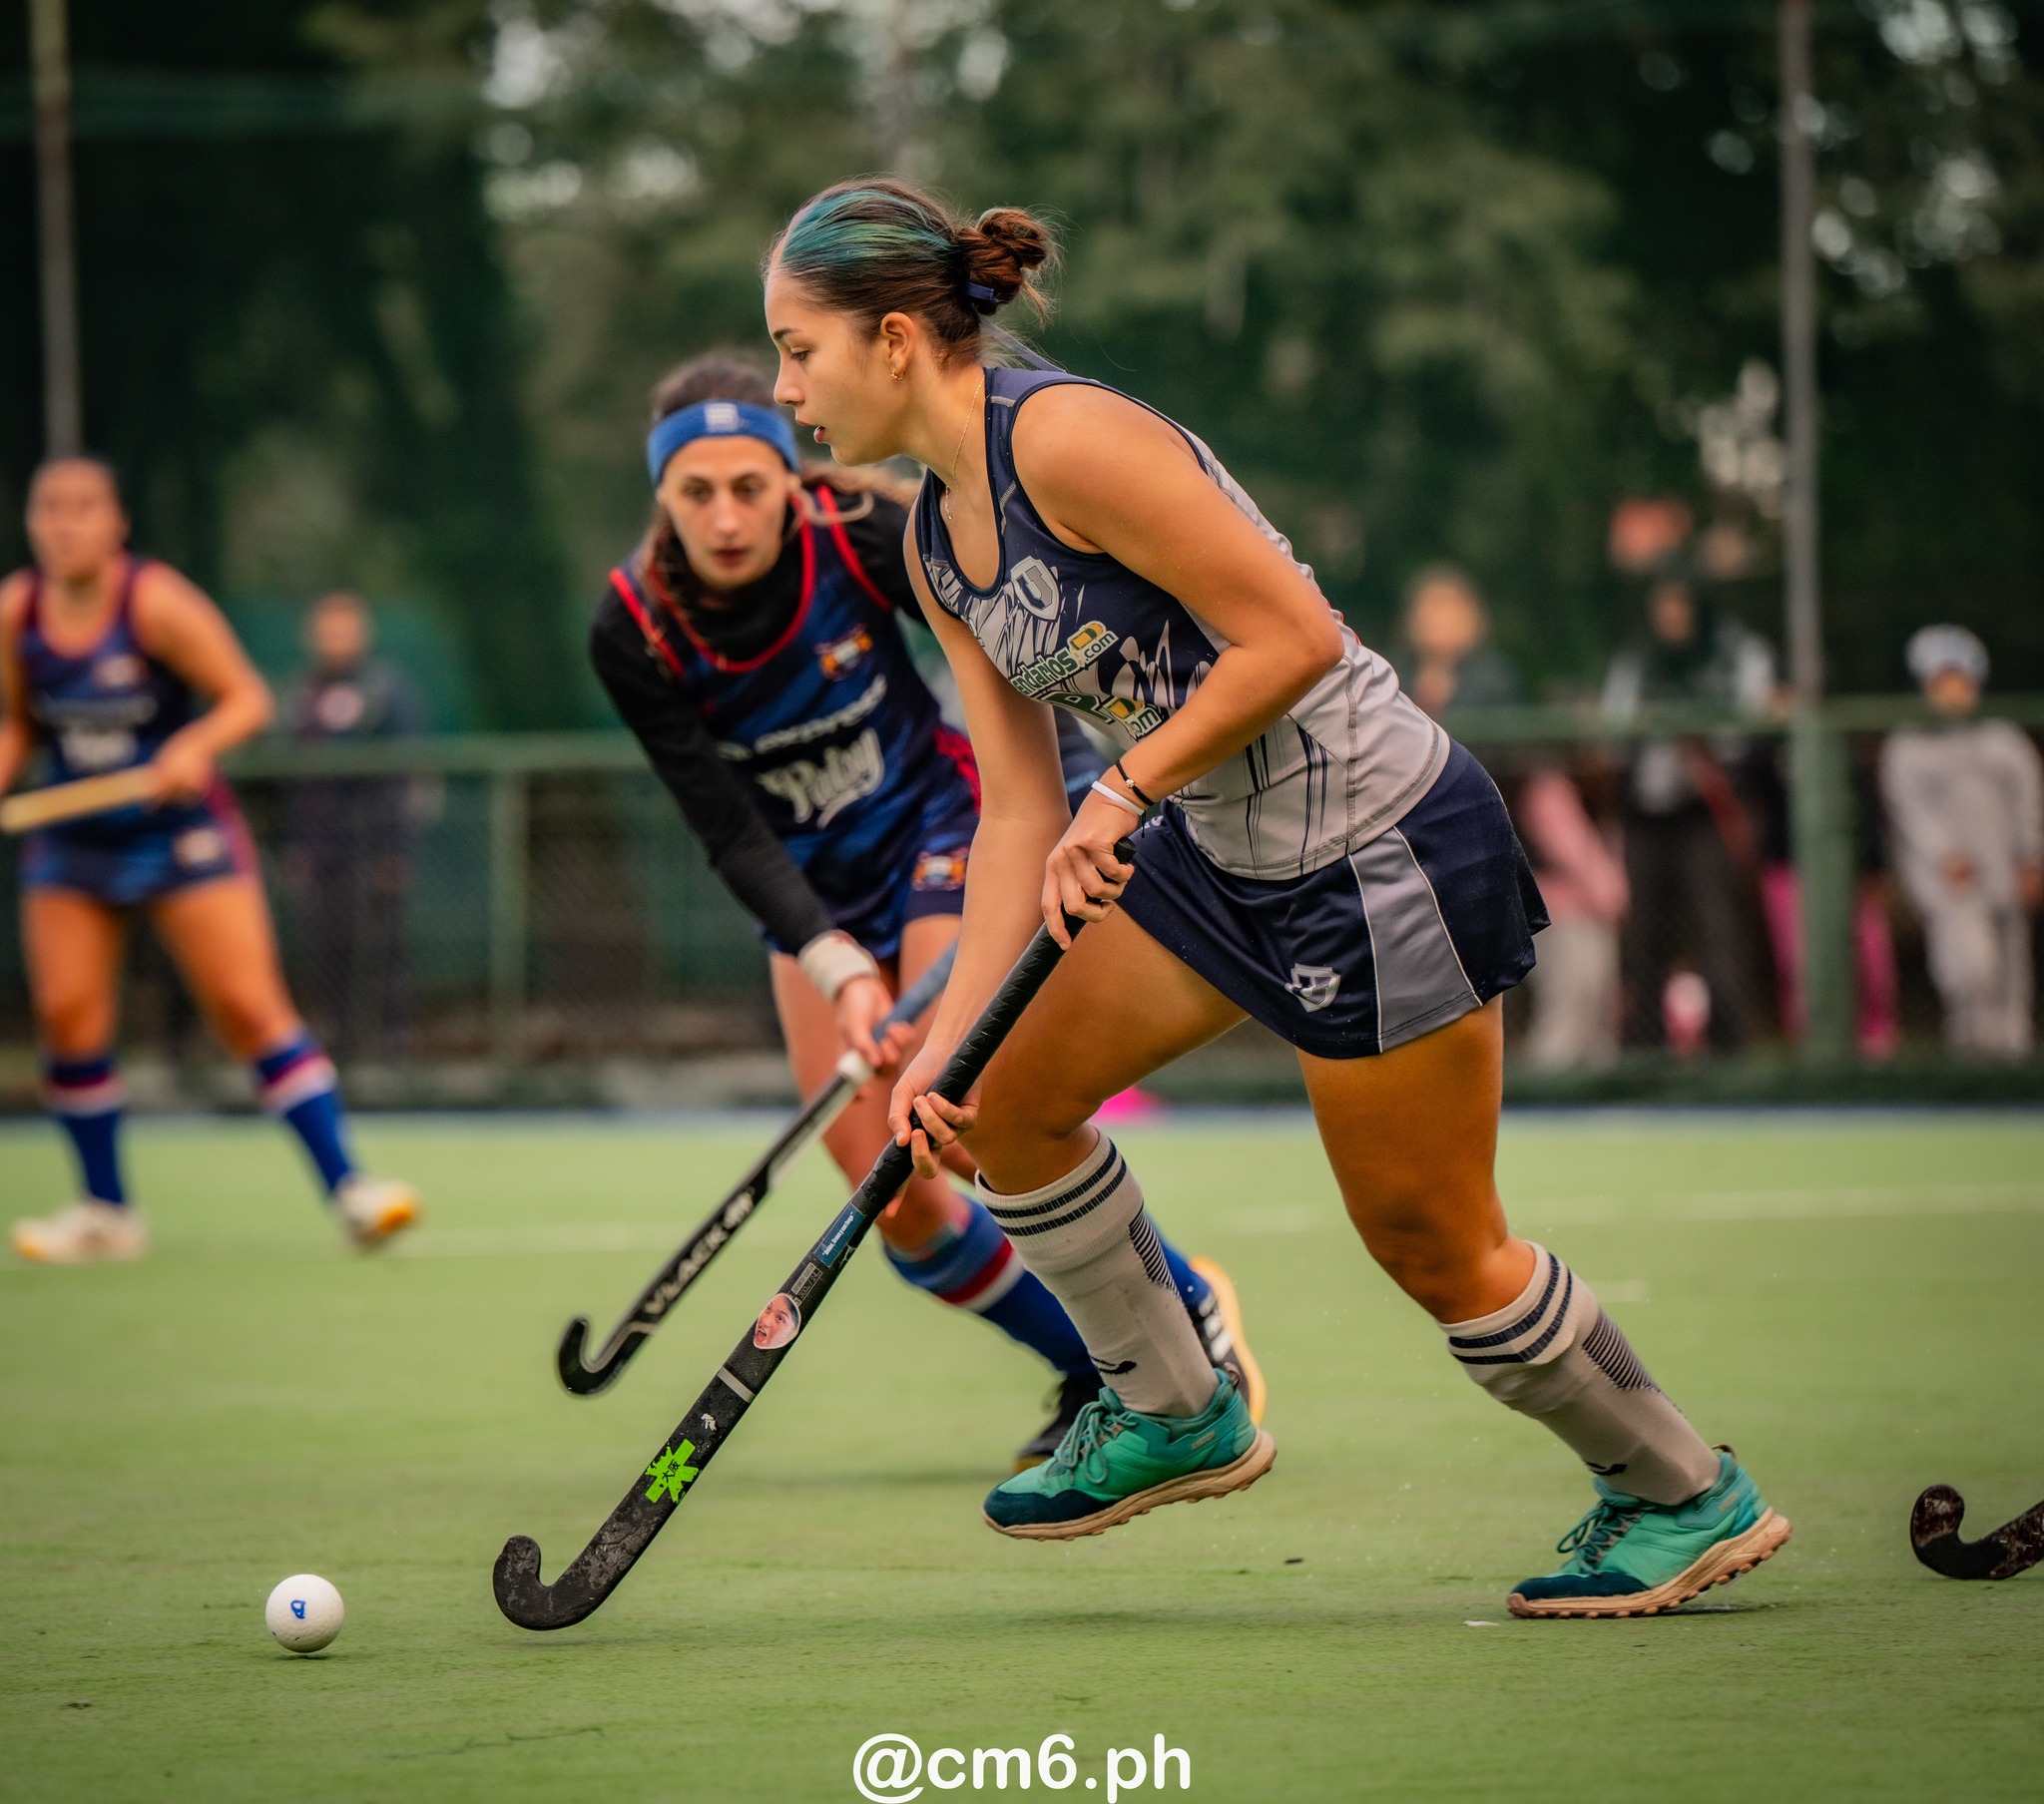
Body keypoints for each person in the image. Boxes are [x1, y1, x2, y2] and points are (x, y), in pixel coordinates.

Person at [763, 179, 1789, 1615]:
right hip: (1216, 853)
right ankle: (1179, 1409)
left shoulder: (1064, 438)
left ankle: (1681, 1487)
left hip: (1377, 845)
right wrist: (943, 1052)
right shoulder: (937, 541)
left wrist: (1129, 787)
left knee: (1433, 1242)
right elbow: (1017, 811)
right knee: (1000, 1105)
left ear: (889, 340)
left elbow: (1293, 633)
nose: (784, 388)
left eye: (796, 349)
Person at [589, 355, 1260, 1468]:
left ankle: (1182, 1319)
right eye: (693, 492)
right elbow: (729, 827)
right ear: (659, 496)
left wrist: (1054, 813)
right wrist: (834, 962)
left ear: (790, 479)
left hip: (938, 831)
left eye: (747, 485)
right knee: (894, 1204)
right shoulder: (632, 627)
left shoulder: (861, 527)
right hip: (809, 894)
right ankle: (1099, 1361)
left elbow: (1006, 651)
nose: (723, 516)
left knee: (951, 1122)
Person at [1, 457, 420, 1261]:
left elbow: (248, 698)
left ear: (117, 522)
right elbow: (20, 724)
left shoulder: (155, 603)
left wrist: (192, 745)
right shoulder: (18, 613)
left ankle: (351, 1190)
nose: (64, 524)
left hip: (177, 832)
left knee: (246, 1006)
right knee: (66, 1015)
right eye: (48, 509)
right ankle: (106, 1212)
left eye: (83, 508)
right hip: (74, 840)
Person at [1601, 567, 1775, 1052]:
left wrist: (1696, 723)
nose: (1672, 617)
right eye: (1664, 607)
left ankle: (1730, 1052)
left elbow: (1749, 730)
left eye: (1682, 606)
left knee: (1717, 931)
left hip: (1707, 811)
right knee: (1643, 939)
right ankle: (1644, 1052)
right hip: (1647, 813)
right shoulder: (1639, 659)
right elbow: (1613, 735)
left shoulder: (1736, 652)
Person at [1880, 626, 2043, 1058]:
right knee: (1969, 966)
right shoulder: (1908, 745)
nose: (1952, 690)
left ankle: (2012, 1062)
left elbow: (2029, 799)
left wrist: (2031, 857)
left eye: (1959, 679)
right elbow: (1910, 813)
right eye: (1941, 681)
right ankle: (1971, 1056)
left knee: (2011, 975)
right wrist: (1944, 855)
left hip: (2003, 868)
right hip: (1950, 881)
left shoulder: (2004, 739)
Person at [282, 591, 427, 1062]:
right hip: (321, 851)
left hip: (374, 847)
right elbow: (289, 780)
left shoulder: (388, 690)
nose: (336, 639)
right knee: (328, 951)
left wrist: (396, 849)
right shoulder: (301, 696)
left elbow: (410, 772)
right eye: (327, 630)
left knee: (384, 951)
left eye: (345, 629)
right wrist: (295, 847)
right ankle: (338, 1052)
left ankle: (392, 1050)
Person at [1516, 763, 1627, 1069]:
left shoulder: (1601, 791)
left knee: (1599, 1009)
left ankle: (1600, 1096)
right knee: (1567, 1004)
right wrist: (1610, 895)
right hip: (1561, 914)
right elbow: (1570, 849)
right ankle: (1546, 1095)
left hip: (1594, 916)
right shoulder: (1549, 787)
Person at [1394, 565, 1521, 718]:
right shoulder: (1391, 676)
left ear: (1472, 617)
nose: (1435, 619)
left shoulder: (1494, 680)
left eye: (1445, 607)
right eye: (1428, 607)